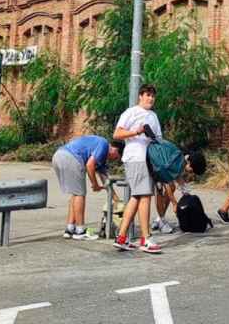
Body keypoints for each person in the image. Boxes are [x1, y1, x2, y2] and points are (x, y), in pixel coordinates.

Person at [111, 83, 164, 253]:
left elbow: (159, 139)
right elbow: (117, 134)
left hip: (147, 160)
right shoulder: (131, 112)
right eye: (147, 95)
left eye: (153, 96)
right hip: (135, 158)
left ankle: (121, 237)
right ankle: (145, 238)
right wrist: (137, 132)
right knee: (146, 196)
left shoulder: (153, 116)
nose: (150, 98)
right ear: (140, 96)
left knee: (137, 197)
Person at [52, 135, 123, 240]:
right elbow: (90, 166)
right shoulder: (103, 144)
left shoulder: (101, 157)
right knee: (80, 194)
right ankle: (80, 231)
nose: (114, 160)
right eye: (117, 157)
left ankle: (69, 228)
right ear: (115, 149)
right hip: (71, 158)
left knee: (75, 193)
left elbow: (106, 181)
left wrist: (117, 200)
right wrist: (94, 184)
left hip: (58, 156)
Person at [153, 149, 209, 232]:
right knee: (162, 189)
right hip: (155, 163)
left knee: (172, 187)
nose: (191, 173)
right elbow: (167, 182)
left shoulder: (183, 159)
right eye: (192, 171)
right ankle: (161, 221)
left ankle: (159, 218)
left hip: (161, 165)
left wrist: (186, 193)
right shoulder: (177, 160)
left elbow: (177, 176)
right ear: (190, 163)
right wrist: (174, 203)